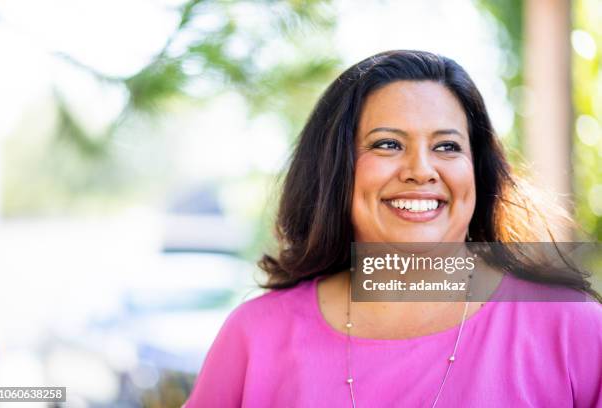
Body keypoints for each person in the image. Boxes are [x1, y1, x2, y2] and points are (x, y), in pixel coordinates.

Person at [184, 50, 602, 407]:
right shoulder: (255, 337)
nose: (421, 171)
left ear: (478, 172)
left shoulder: (572, 326)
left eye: (447, 146)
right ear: (336, 168)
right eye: (388, 144)